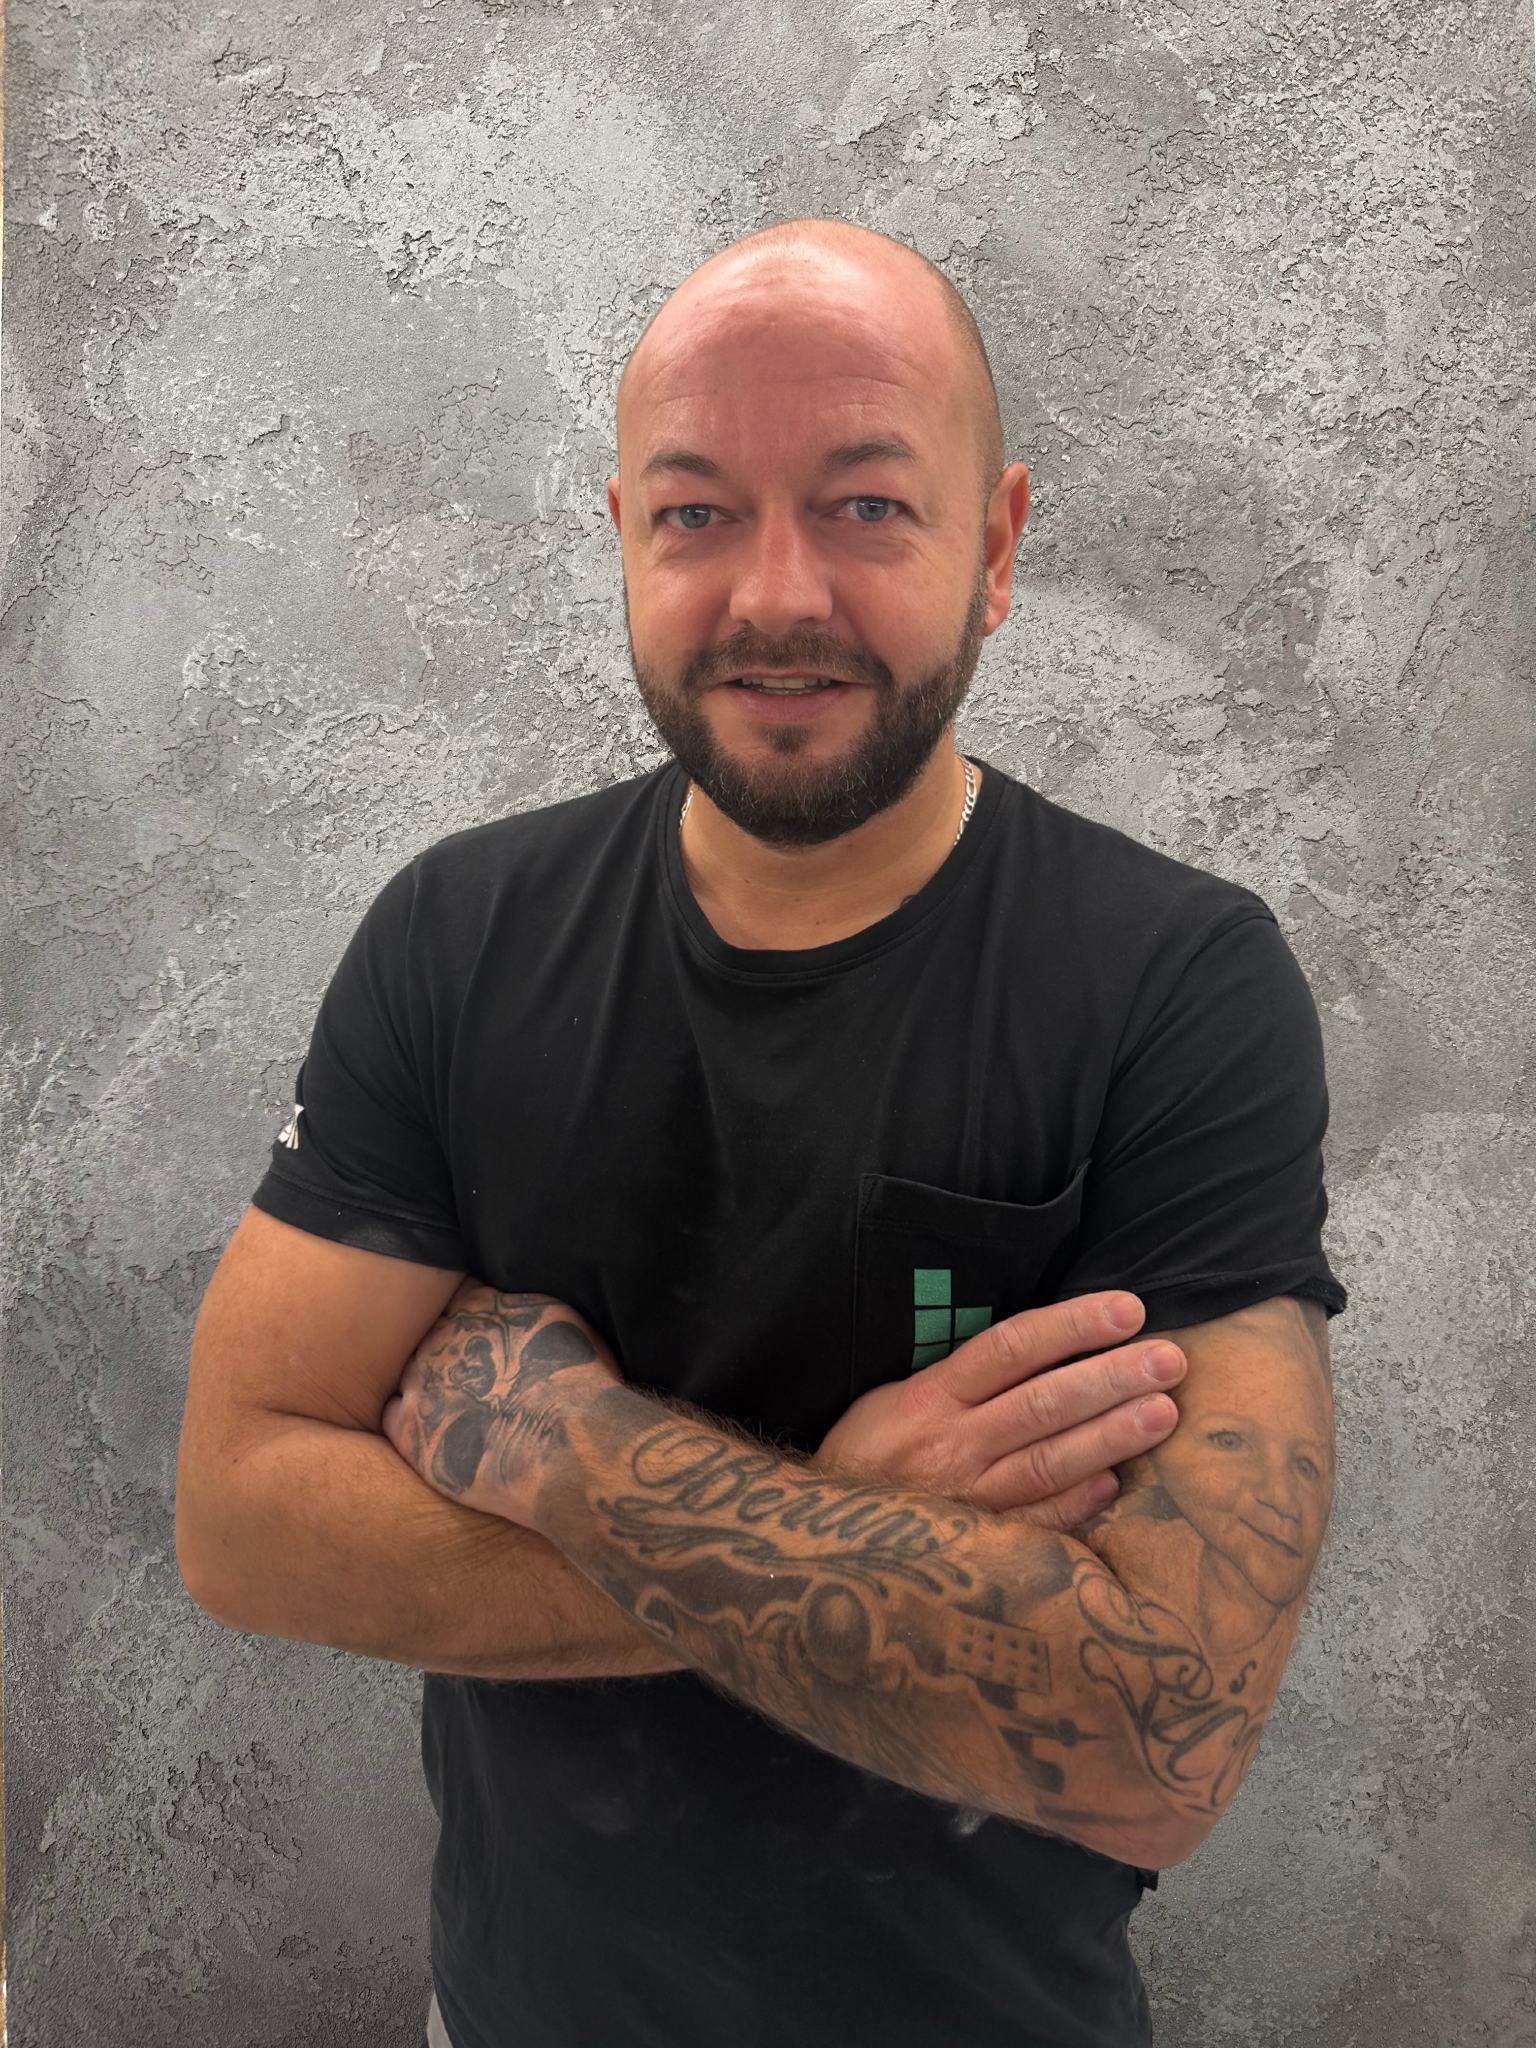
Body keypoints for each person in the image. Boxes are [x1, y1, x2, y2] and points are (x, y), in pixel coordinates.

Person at [176, 219, 1345, 2048]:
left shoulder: (1174, 983)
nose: (775, 594)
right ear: (623, 536)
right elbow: (241, 1523)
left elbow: (1154, 1741)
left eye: (867, 506)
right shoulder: (457, 939)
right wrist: (857, 1519)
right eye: (697, 513)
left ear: (997, 547)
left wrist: (563, 1441)